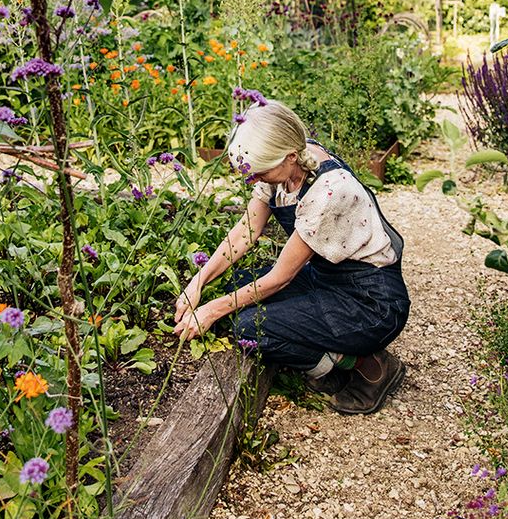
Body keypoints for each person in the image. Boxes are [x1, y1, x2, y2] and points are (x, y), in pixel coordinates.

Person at [173, 99, 409, 414]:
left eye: (259, 172)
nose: (253, 179)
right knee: (236, 285)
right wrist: (198, 283)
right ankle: (329, 356)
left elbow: (281, 278)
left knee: (251, 328)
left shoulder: (328, 190)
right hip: (327, 277)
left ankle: (364, 365)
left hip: (369, 301)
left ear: (291, 157)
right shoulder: (287, 160)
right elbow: (245, 232)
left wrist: (211, 311)